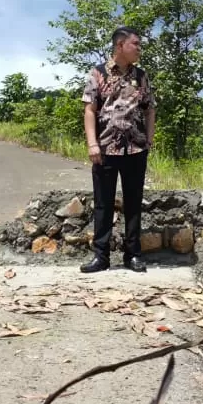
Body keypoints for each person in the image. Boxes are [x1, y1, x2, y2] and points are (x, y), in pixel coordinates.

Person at [80, 26, 156, 274]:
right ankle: (100, 257)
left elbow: (149, 109)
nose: (139, 49)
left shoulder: (141, 76)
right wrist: (92, 144)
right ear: (120, 45)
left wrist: (149, 139)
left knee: (133, 203)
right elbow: (90, 110)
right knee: (103, 203)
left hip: (135, 150)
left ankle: (132, 255)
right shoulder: (98, 73)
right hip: (105, 150)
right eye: (136, 44)